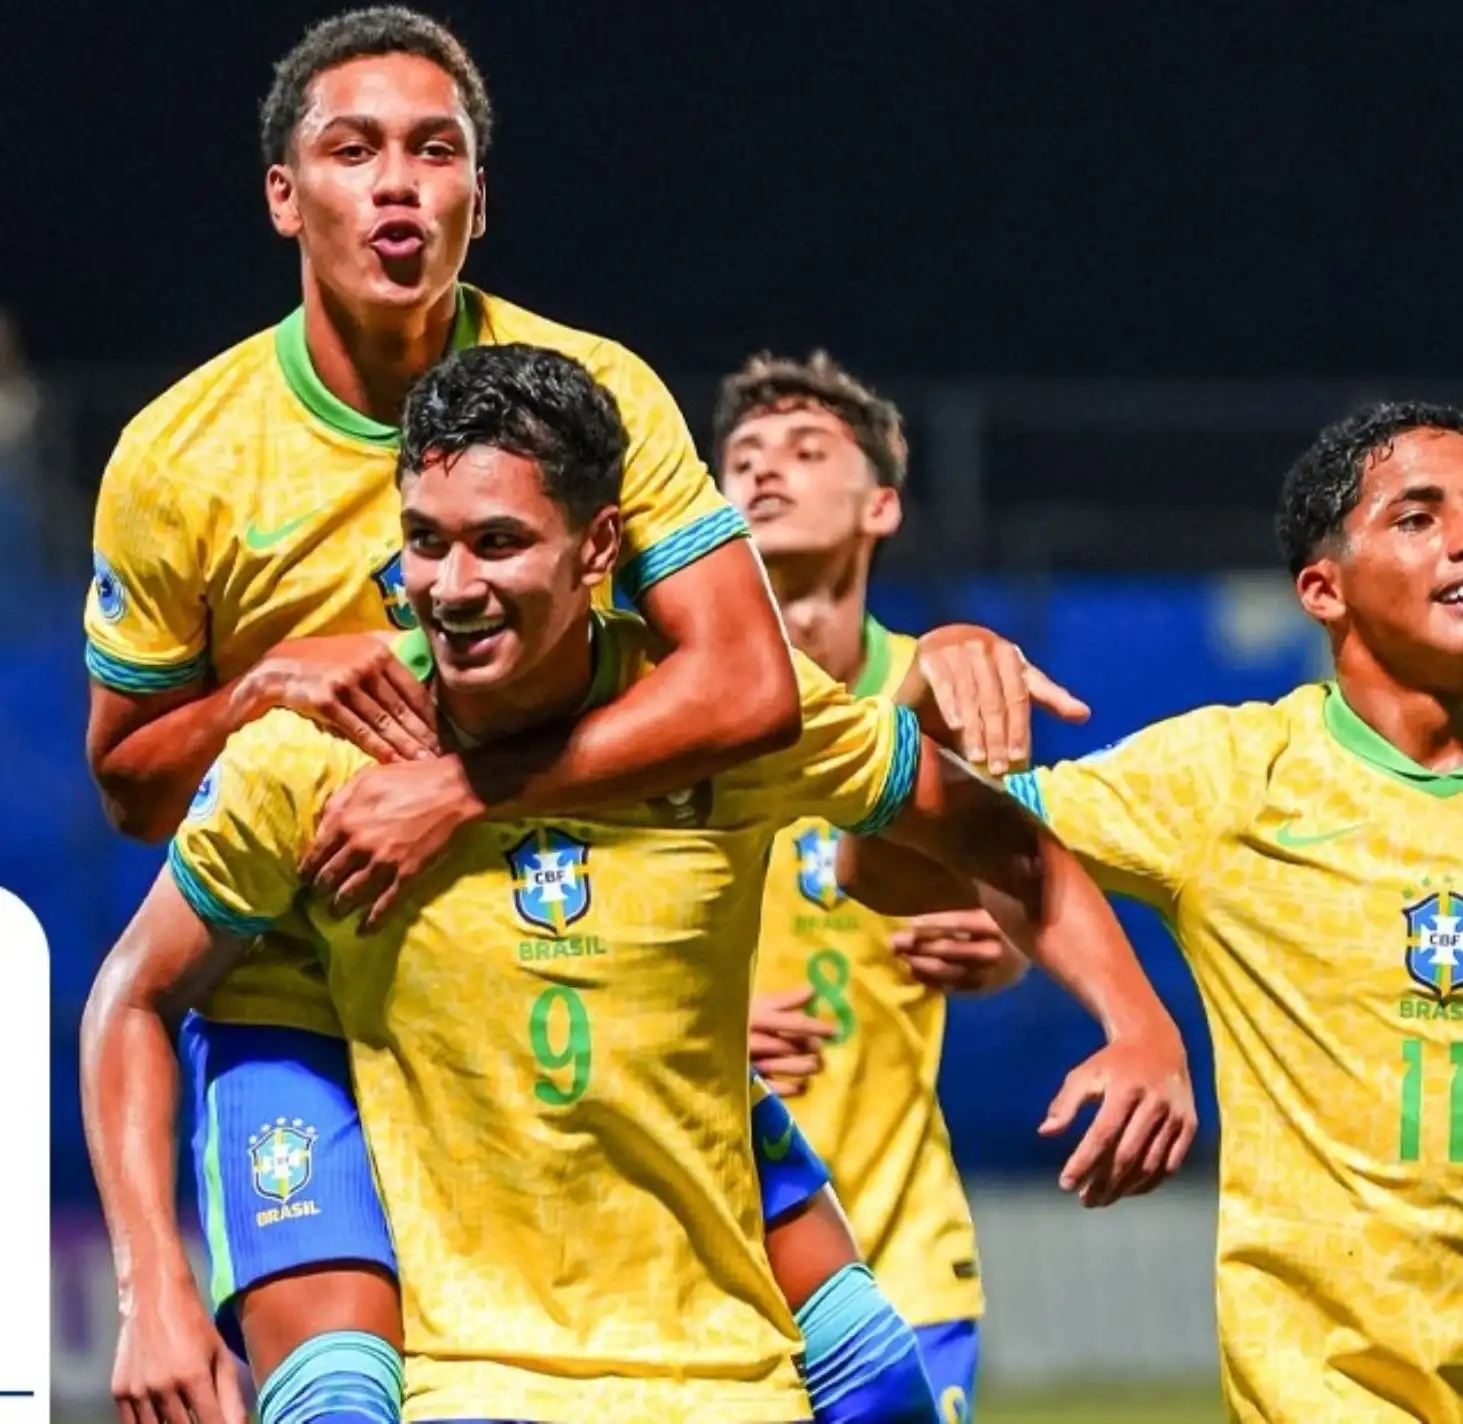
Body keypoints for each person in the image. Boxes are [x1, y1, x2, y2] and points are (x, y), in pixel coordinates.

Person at [79, 8, 1064, 1420]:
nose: (400, 183)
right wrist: (260, 687)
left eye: (437, 150)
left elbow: (746, 682)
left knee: (872, 1386)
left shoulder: (595, 397)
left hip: (558, 969)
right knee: (345, 1396)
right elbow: (128, 784)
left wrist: (464, 793)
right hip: (300, 993)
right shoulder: (181, 457)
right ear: (285, 196)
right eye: (354, 151)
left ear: (483, 195)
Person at [83, 344, 1198, 1424]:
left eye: (500, 542)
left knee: (883, 1389)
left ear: (599, 545)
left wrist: (1139, 1023)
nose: (453, 587)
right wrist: (156, 1292)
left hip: (733, 1365)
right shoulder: (315, 760)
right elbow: (134, 990)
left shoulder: (745, 722)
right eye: (424, 543)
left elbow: (1002, 843)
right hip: (475, 1378)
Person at [848, 400, 1463, 1422]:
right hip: (1317, 1396)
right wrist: (919, 688)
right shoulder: (1225, 776)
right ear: (1323, 589)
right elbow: (892, 866)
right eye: (1418, 517)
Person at [715, 352, 1029, 1422]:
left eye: (807, 453)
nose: (765, 473)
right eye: (742, 459)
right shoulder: (666, 702)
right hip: (709, 1241)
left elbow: (1028, 892)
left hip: (900, 1241)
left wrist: (1006, 948)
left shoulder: (944, 692)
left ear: (881, 504)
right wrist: (692, 1026)